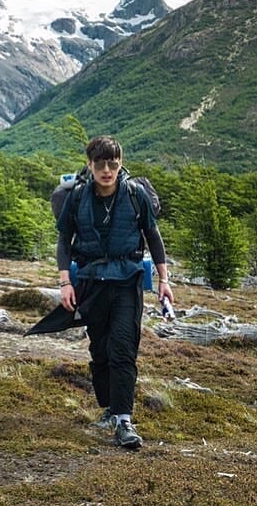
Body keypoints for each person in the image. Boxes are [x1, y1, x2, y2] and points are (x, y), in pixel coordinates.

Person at [55, 135, 174, 449]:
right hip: (91, 282)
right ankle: (109, 406)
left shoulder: (135, 195)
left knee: (123, 348)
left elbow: (153, 235)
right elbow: (64, 238)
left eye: (112, 163)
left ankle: (124, 420)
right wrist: (65, 282)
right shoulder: (78, 197)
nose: (107, 170)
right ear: (90, 165)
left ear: (120, 163)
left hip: (127, 281)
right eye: (100, 164)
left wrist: (164, 280)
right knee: (101, 351)